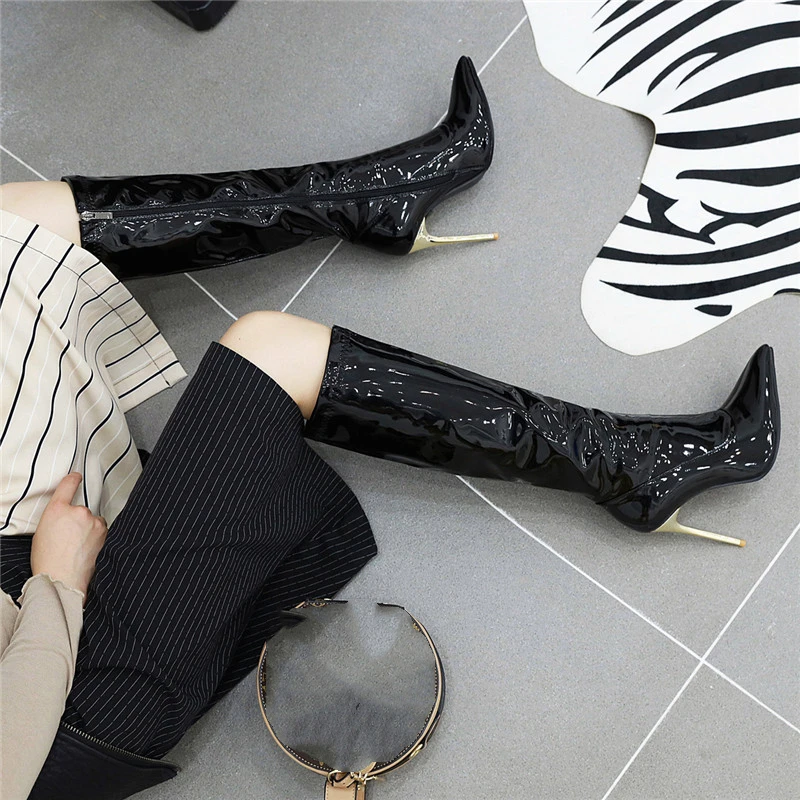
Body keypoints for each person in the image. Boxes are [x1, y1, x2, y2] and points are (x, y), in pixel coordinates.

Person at [0, 56, 781, 800]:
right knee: (269, 354)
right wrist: (58, 585)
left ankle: (371, 200)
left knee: (10, 223)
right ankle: (630, 467)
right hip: (60, 707)